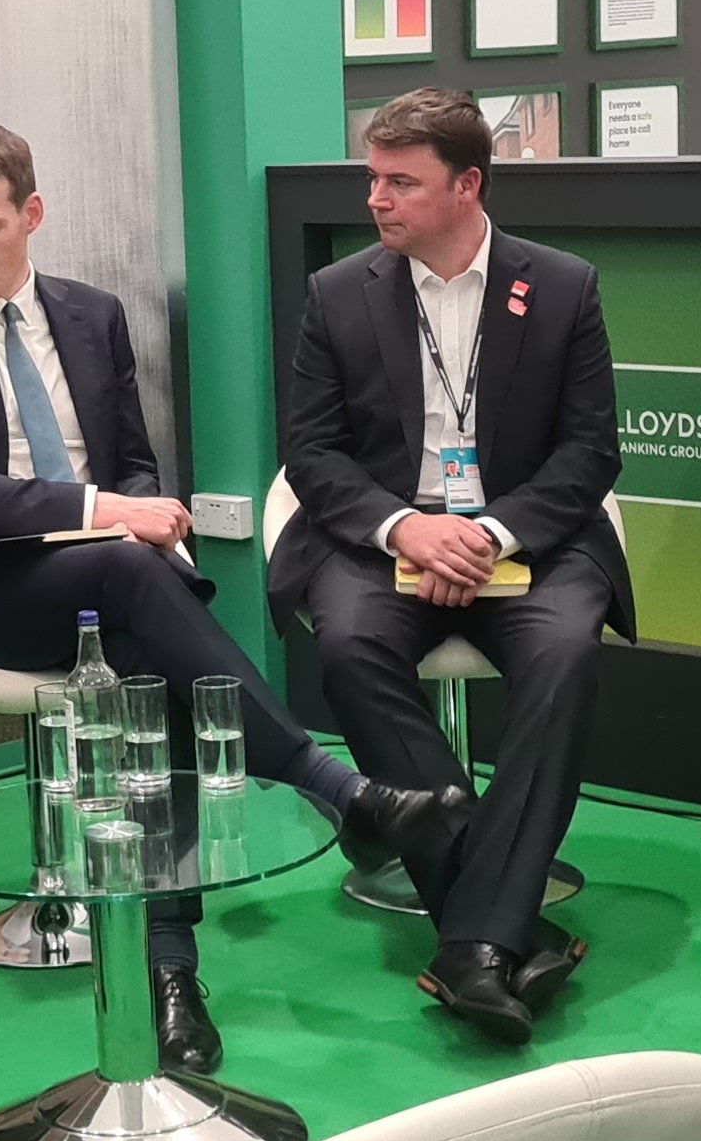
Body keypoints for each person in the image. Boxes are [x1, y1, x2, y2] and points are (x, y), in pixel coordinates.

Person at [0, 124, 461, 1072]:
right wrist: (111, 513)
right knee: (132, 581)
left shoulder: (93, 314)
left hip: (104, 580)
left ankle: (173, 976)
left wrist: (147, 521)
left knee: (153, 667)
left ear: (32, 214)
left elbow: (133, 456)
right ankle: (329, 786)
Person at [267, 88, 632, 1048]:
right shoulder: (338, 294)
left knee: (564, 656)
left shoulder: (562, 286)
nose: (376, 200)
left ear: (468, 186)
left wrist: (492, 535)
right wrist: (405, 529)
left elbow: (590, 454)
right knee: (346, 646)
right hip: (381, 541)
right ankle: (503, 931)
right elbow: (312, 454)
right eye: (373, 179)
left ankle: (471, 937)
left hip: (528, 543)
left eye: (400, 182)